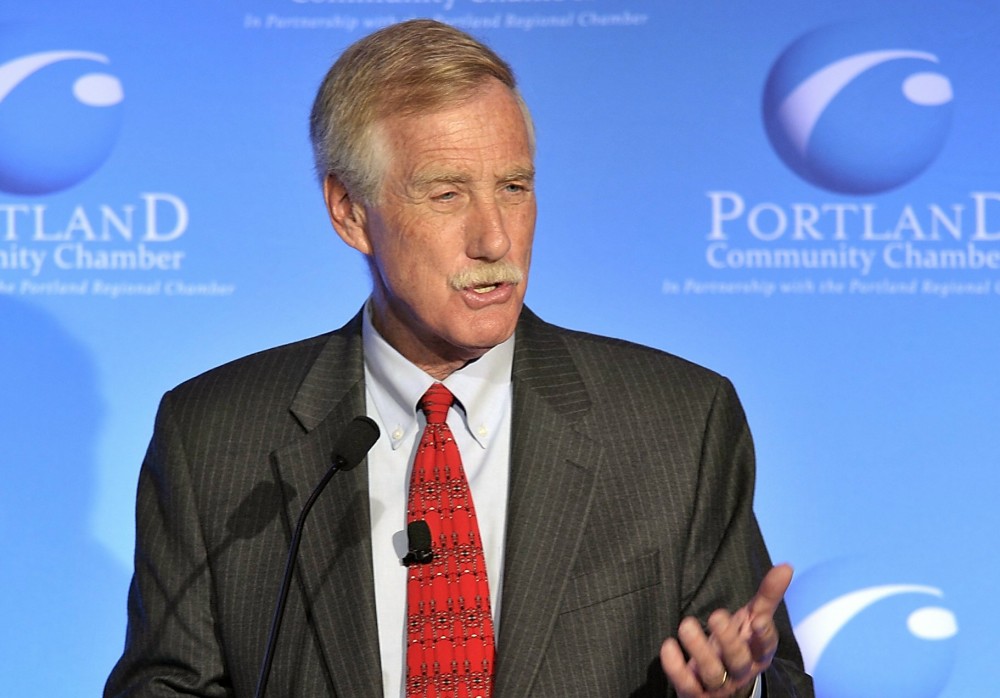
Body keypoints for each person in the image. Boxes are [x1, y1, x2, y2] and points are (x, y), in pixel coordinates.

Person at [105, 19, 813, 698]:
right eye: (447, 194)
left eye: (514, 187)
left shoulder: (676, 426)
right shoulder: (213, 439)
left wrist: (732, 694)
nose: (495, 240)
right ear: (350, 212)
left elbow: (772, 680)